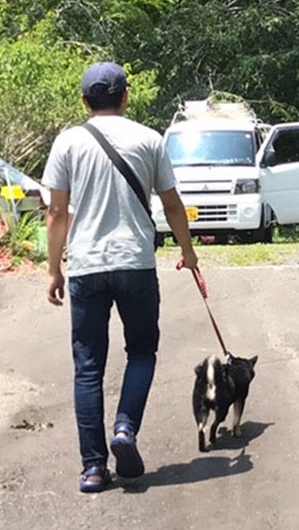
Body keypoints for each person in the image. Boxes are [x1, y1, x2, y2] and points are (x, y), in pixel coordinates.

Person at [41, 62, 202, 493]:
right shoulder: (149, 139)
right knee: (143, 350)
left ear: (83, 100)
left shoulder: (68, 142)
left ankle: (94, 468)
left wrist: (54, 269)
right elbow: (172, 204)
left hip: (87, 265)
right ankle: (125, 430)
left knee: (88, 367)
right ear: (126, 97)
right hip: (135, 264)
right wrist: (188, 253)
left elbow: (56, 213)